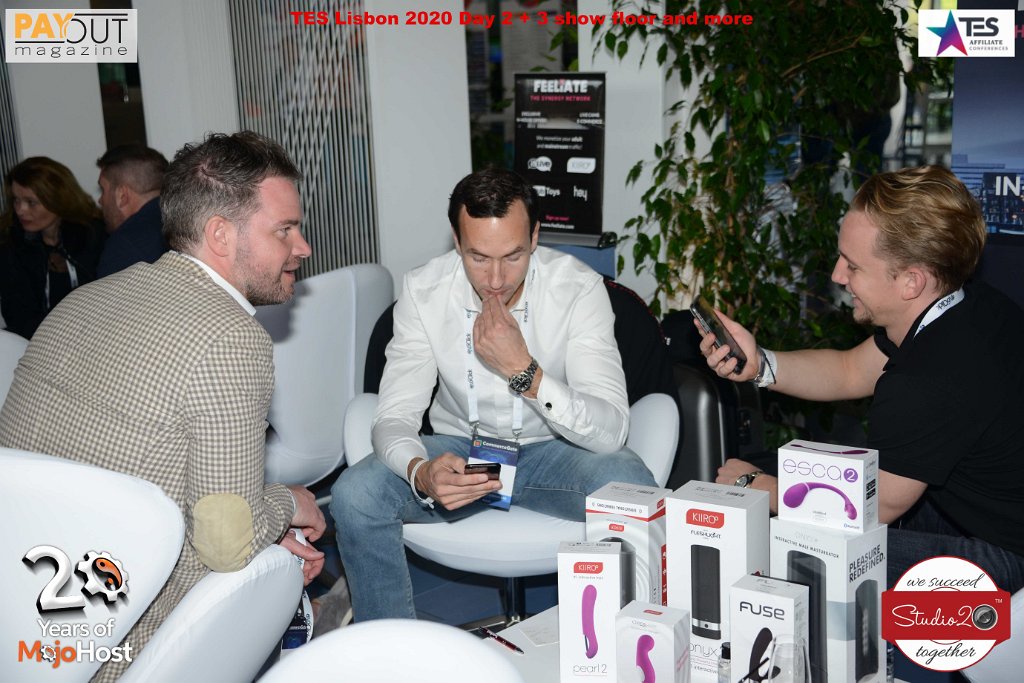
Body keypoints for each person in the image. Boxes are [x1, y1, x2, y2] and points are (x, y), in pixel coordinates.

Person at [0, 131, 324, 681]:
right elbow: (225, 548)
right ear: (220, 234)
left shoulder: (86, 297)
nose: (303, 247)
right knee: (270, 556)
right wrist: (287, 501)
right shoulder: (230, 339)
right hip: (119, 642)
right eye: (284, 229)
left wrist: (257, 517)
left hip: (27, 615)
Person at [330, 167, 657, 620]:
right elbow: (394, 415)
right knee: (354, 496)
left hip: (553, 452)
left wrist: (524, 372)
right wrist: (420, 471)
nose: (497, 278)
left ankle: (630, 643)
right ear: (456, 240)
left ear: (535, 236)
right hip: (463, 452)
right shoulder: (424, 290)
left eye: (513, 255)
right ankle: (391, 649)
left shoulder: (579, 290)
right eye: (479, 257)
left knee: (630, 484)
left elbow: (611, 431)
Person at [698, 166, 1024, 593]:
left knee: (786, 548)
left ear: (911, 281)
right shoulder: (965, 303)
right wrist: (760, 365)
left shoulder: (928, 381)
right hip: (976, 510)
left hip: (1007, 556)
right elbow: (850, 370)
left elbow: (874, 507)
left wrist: (757, 487)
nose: (837, 275)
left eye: (853, 266)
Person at [0, 157, 104, 338]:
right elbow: (18, 316)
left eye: (31, 202)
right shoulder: (10, 245)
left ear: (57, 200)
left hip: (96, 335)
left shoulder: (93, 235)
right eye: (16, 200)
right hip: (38, 341)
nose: (20, 210)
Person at [95, 144, 169, 277]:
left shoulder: (124, 246)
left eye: (103, 190)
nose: (100, 200)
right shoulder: (187, 224)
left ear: (122, 196)